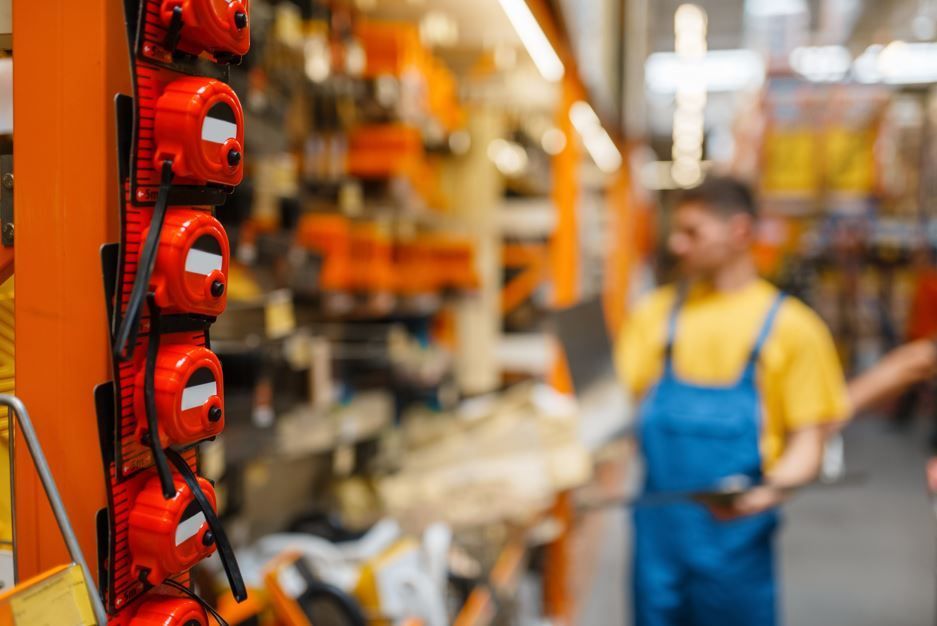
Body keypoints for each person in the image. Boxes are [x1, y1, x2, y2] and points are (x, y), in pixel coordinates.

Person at [615, 176, 849, 626]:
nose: (677, 244)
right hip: (658, 542)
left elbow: (808, 442)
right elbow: (612, 412)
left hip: (737, 544)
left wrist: (767, 491)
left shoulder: (792, 329)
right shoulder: (655, 315)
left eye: (692, 232)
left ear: (740, 232)